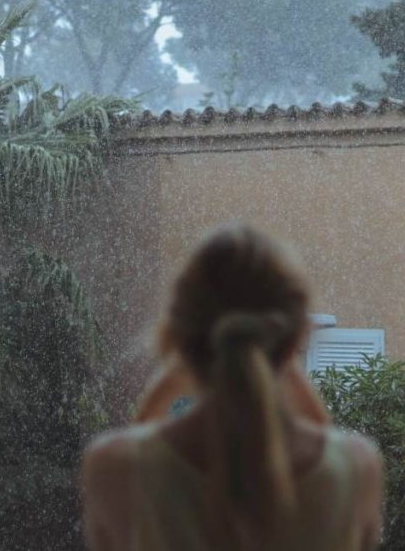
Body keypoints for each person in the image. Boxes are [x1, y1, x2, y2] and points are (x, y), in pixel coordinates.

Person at [82, 224, 384, 551]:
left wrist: (170, 378)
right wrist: (284, 365)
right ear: (294, 337)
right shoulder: (357, 468)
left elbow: (140, 454)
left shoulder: (115, 466)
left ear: (178, 336)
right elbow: (328, 450)